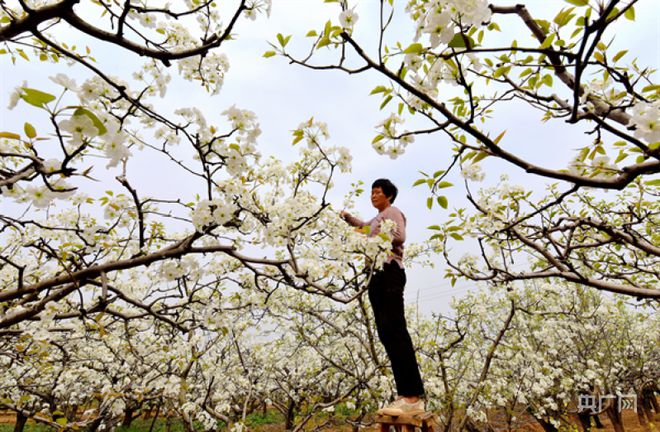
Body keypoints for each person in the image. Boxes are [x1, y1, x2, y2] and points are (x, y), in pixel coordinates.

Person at [340, 178, 425, 415]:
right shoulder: (377, 219)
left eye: (377, 192)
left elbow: (399, 237)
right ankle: (404, 394)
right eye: (371, 193)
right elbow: (364, 228)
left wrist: (376, 235)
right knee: (385, 332)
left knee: (396, 330)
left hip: (390, 271)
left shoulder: (393, 212)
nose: (373, 196)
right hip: (375, 275)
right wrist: (347, 218)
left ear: (388, 195)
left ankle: (413, 395)